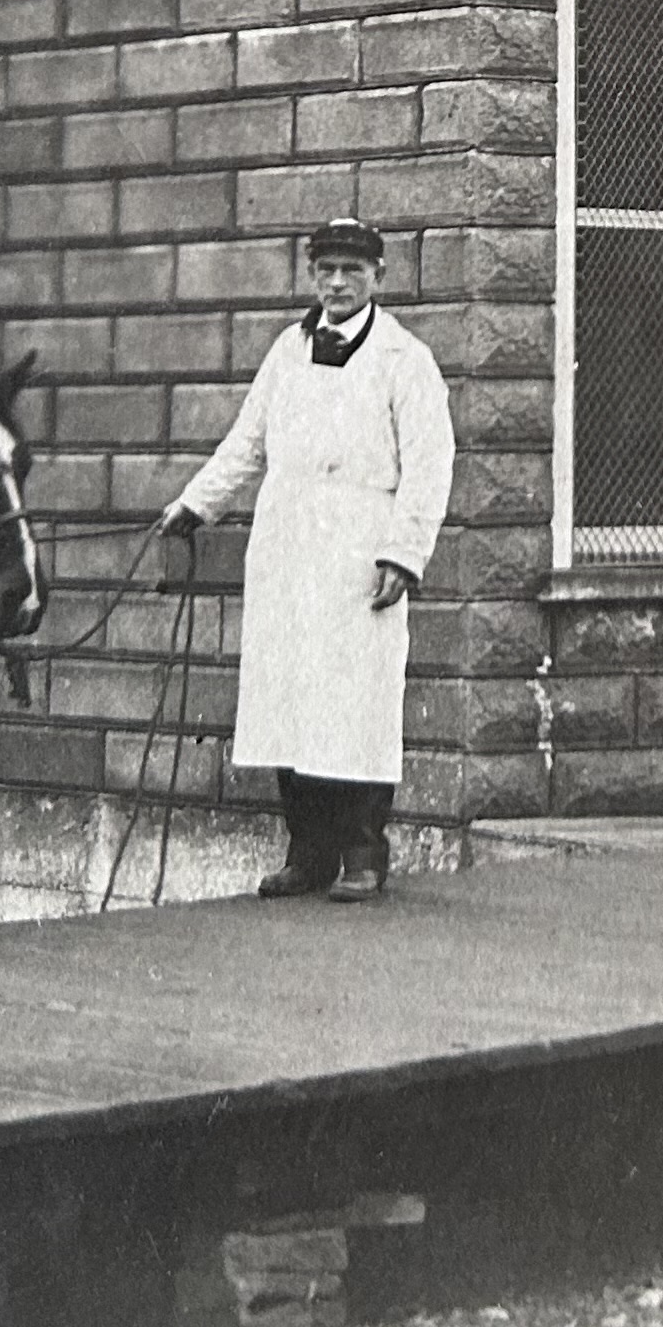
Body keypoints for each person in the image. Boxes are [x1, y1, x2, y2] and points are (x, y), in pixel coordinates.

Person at [160, 216, 451, 903]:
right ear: (312, 275)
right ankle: (308, 850)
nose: (339, 282)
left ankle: (361, 852)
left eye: (353, 270)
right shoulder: (286, 353)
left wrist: (403, 554)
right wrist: (194, 505)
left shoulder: (405, 361)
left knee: (354, 702)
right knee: (289, 696)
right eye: (327, 269)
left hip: (360, 551)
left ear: (380, 276)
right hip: (289, 546)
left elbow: (431, 466)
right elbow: (247, 444)